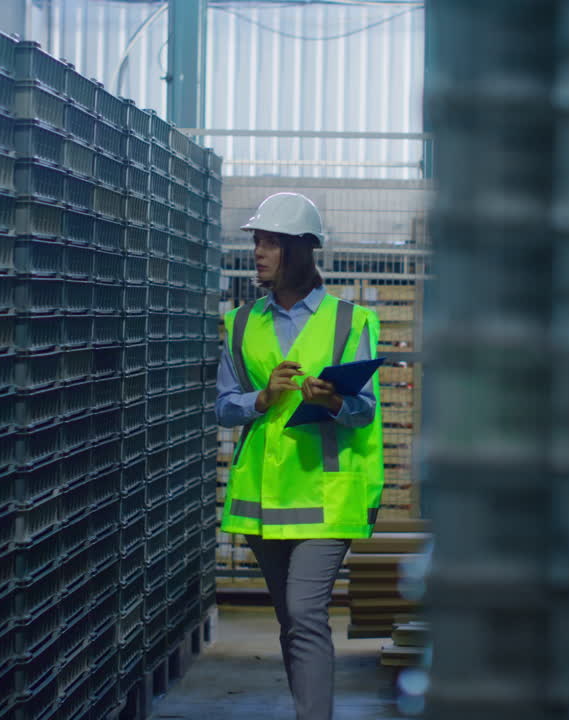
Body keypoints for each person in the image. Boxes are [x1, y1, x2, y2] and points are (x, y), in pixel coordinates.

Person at [215, 192, 385, 720]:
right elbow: (223, 406)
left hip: (326, 497)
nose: (258, 253)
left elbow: (364, 410)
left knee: (305, 611)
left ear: (301, 250)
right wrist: (262, 398)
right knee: (292, 621)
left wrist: (331, 400)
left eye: (270, 243)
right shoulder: (241, 323)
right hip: (264, 501)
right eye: (257, 242)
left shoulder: (350, 321)